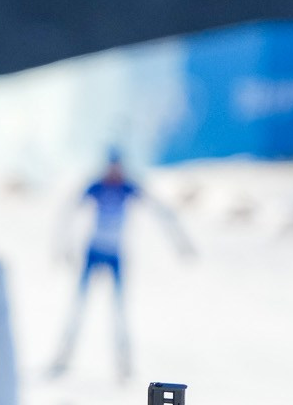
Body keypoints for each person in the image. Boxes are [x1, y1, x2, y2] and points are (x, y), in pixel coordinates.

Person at [50, 151, 193, 380]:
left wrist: (181, 241)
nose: (114, 172)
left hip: (115, 255)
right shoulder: (97, 187)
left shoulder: (127, 188)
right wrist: (62, 245)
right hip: (94, 252)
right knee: (79, 307)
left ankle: (123, 363)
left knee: (118, 311)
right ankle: (63, 356)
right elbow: (69, 211)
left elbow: (160, 210)